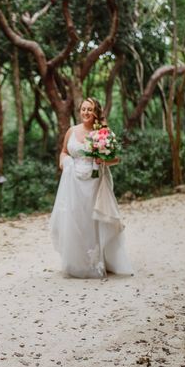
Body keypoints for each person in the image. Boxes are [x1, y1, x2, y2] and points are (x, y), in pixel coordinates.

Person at [49, 97, 132, 278]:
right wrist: (65, 162)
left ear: (96, 112)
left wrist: (103, 160)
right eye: (83, 109)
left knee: (93, 220)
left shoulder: (103, 133)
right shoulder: (71, 131)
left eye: (90, 109)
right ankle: (76, 262)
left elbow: (116, 159)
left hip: (95, 182)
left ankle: (98, 260)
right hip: (73, 182)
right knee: (76, 219)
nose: (86, 112)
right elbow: (64, 152)